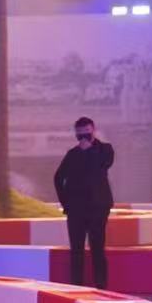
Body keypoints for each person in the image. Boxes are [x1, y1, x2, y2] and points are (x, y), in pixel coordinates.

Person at [54, 116, 115, 288]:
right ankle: (76, 286)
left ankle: (101, 286)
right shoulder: (72, 154)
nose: (83, 138)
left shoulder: (105, 149)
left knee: (97, 248)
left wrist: (88, 151)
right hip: (76, 209)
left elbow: (103, 165)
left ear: (93, 131)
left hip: (98, 207)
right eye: (79, 134)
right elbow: (58, 177)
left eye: (86, 133)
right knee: (76, 250)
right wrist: (65, 203)